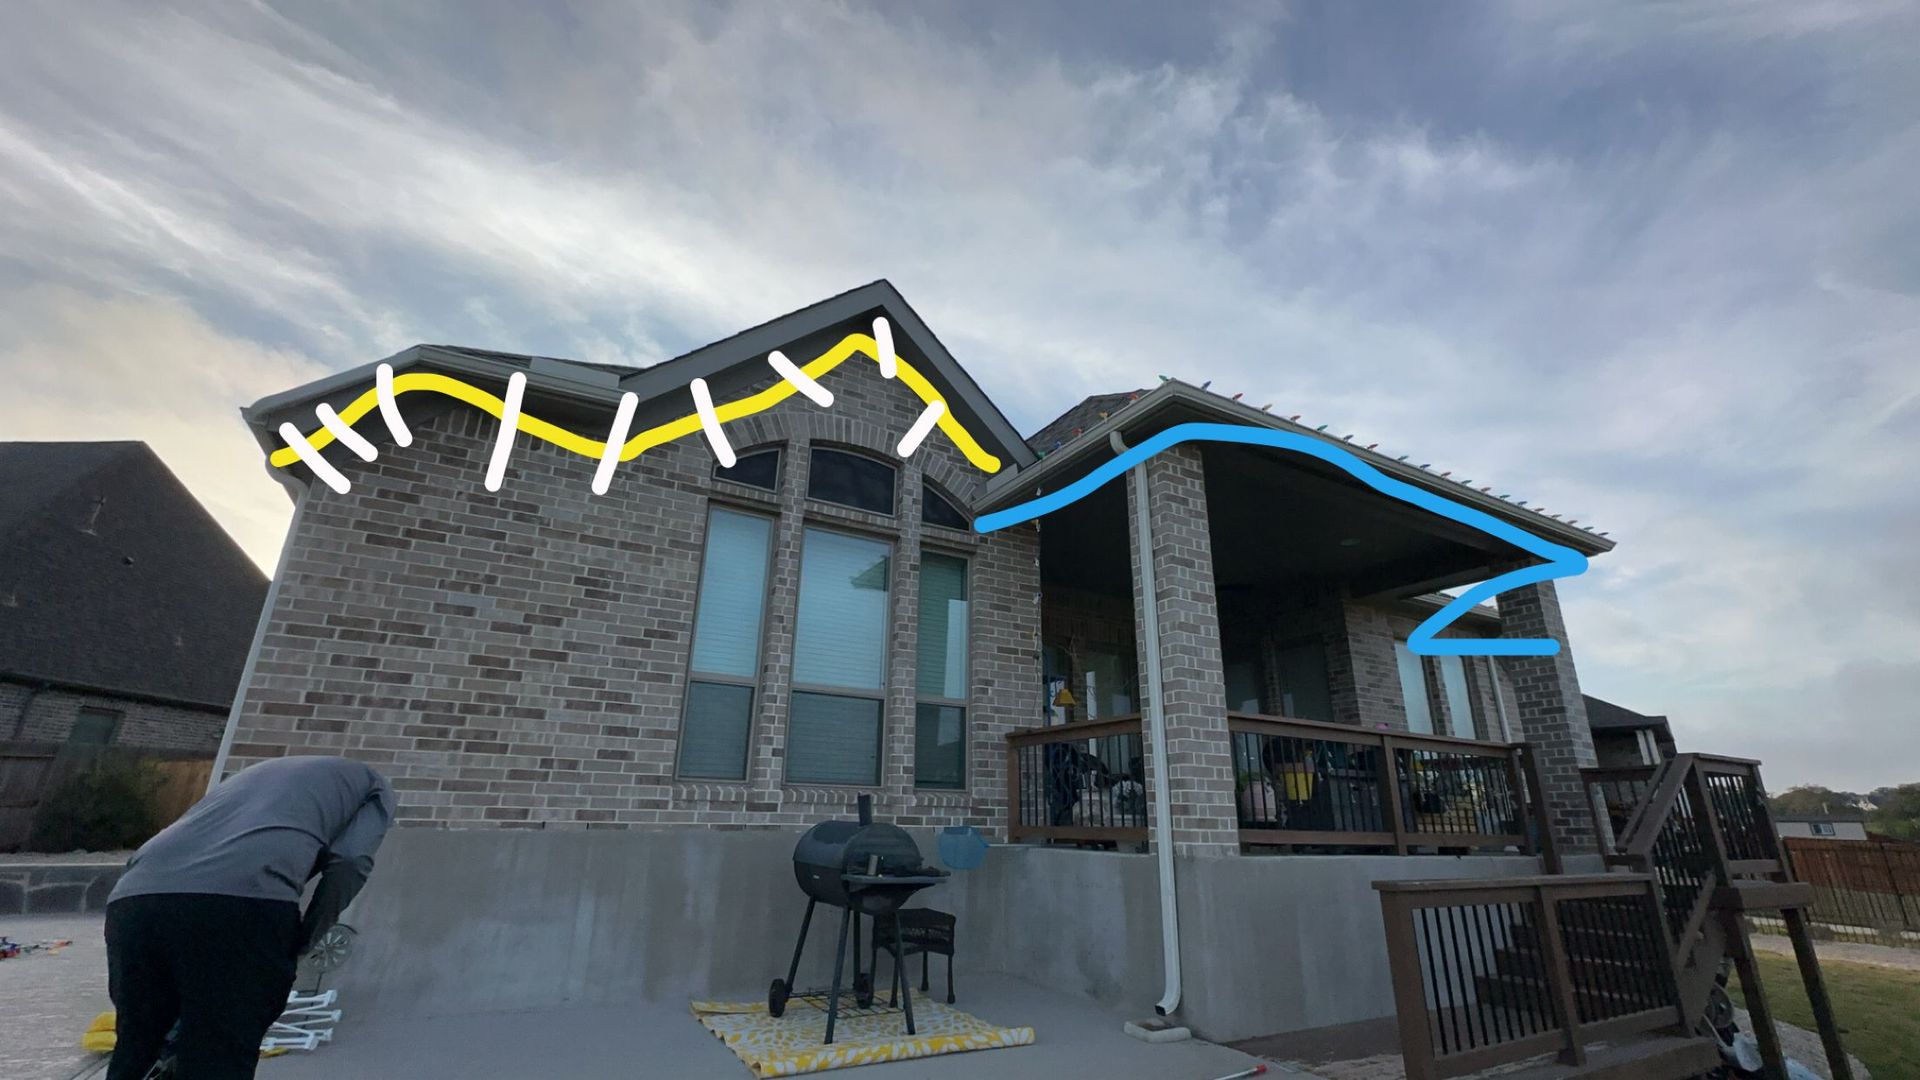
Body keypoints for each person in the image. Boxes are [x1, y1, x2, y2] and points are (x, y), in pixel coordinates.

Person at [104, 755, 394, 1080]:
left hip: (133, 899)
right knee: (219, 1057)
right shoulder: (375, 786)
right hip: (242, 904)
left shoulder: (248, 779)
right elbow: (351, 861)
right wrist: (306, 937)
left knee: (137, 1048)